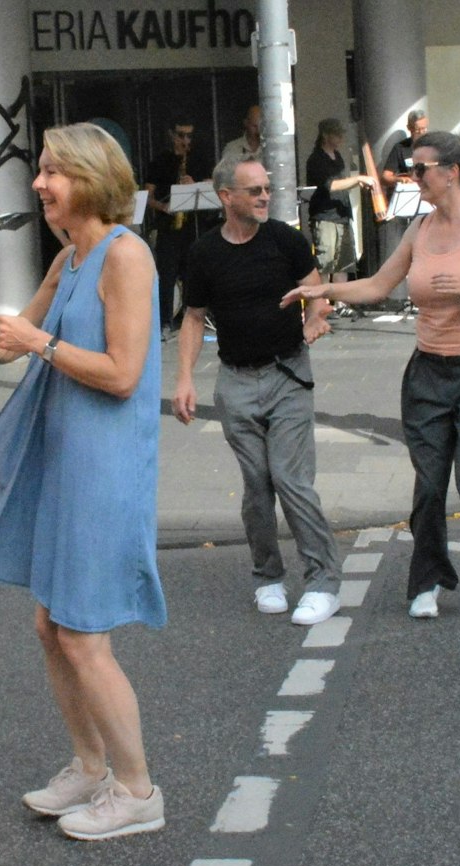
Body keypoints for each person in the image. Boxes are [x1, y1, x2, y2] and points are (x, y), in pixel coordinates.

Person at [0, 123, 168, 842]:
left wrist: (44, 345)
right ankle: (90, 768)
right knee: (51, 625)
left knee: (83, 635)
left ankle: (137, 790)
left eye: (52, 170)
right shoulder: (70, 257)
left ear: (90, 178)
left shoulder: (127, 255)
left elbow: (123, 375)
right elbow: (9, 341)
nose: (39, 183)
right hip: (65, 461)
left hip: (105, 467)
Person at [283, 131, 460, 620]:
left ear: (452, 172)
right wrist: (319, 293)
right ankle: (428, 578)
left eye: (421, 169)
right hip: (429, 370)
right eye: (411, 169)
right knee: (429, 486)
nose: (412, 177)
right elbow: (379, 285)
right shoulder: (419, 229)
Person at [171, 155, 342, 628]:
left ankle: (323, 582)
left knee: (291, 479)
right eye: (255, 191)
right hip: (236, 382)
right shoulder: (205, 253)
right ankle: (268, 576)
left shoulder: (285, 240)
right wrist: (184, 378)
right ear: (226, 197)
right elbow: (193, 318)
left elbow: (316, 292)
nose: (266, 196)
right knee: (257, 486)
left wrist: (315, 319)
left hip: (288, 375)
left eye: (266, 188)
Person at [143, 119, 199, 327]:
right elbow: (147, 197)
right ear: (172, 135)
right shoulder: (160, 161)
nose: (185, 140)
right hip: (167, 228)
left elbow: (214, 186)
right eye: (181, 135)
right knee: (166, 276)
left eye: (189, 136)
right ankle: (166, 321)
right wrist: (164, 206)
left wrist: (195, 185)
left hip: (192, 227)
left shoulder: (197, 159)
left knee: (193, 275)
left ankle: (191, 318)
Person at [305, 118, 372, 287]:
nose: (341, 138)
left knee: (343, 264)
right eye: (337, 134)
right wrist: (358, 179)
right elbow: (330, 185)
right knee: (325, 264)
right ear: (326, 135)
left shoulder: (338, 157)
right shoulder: (316, 159)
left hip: (342, 214)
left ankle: (341, 299)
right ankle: (323, 299)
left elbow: (342, 183)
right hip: (325, 216)